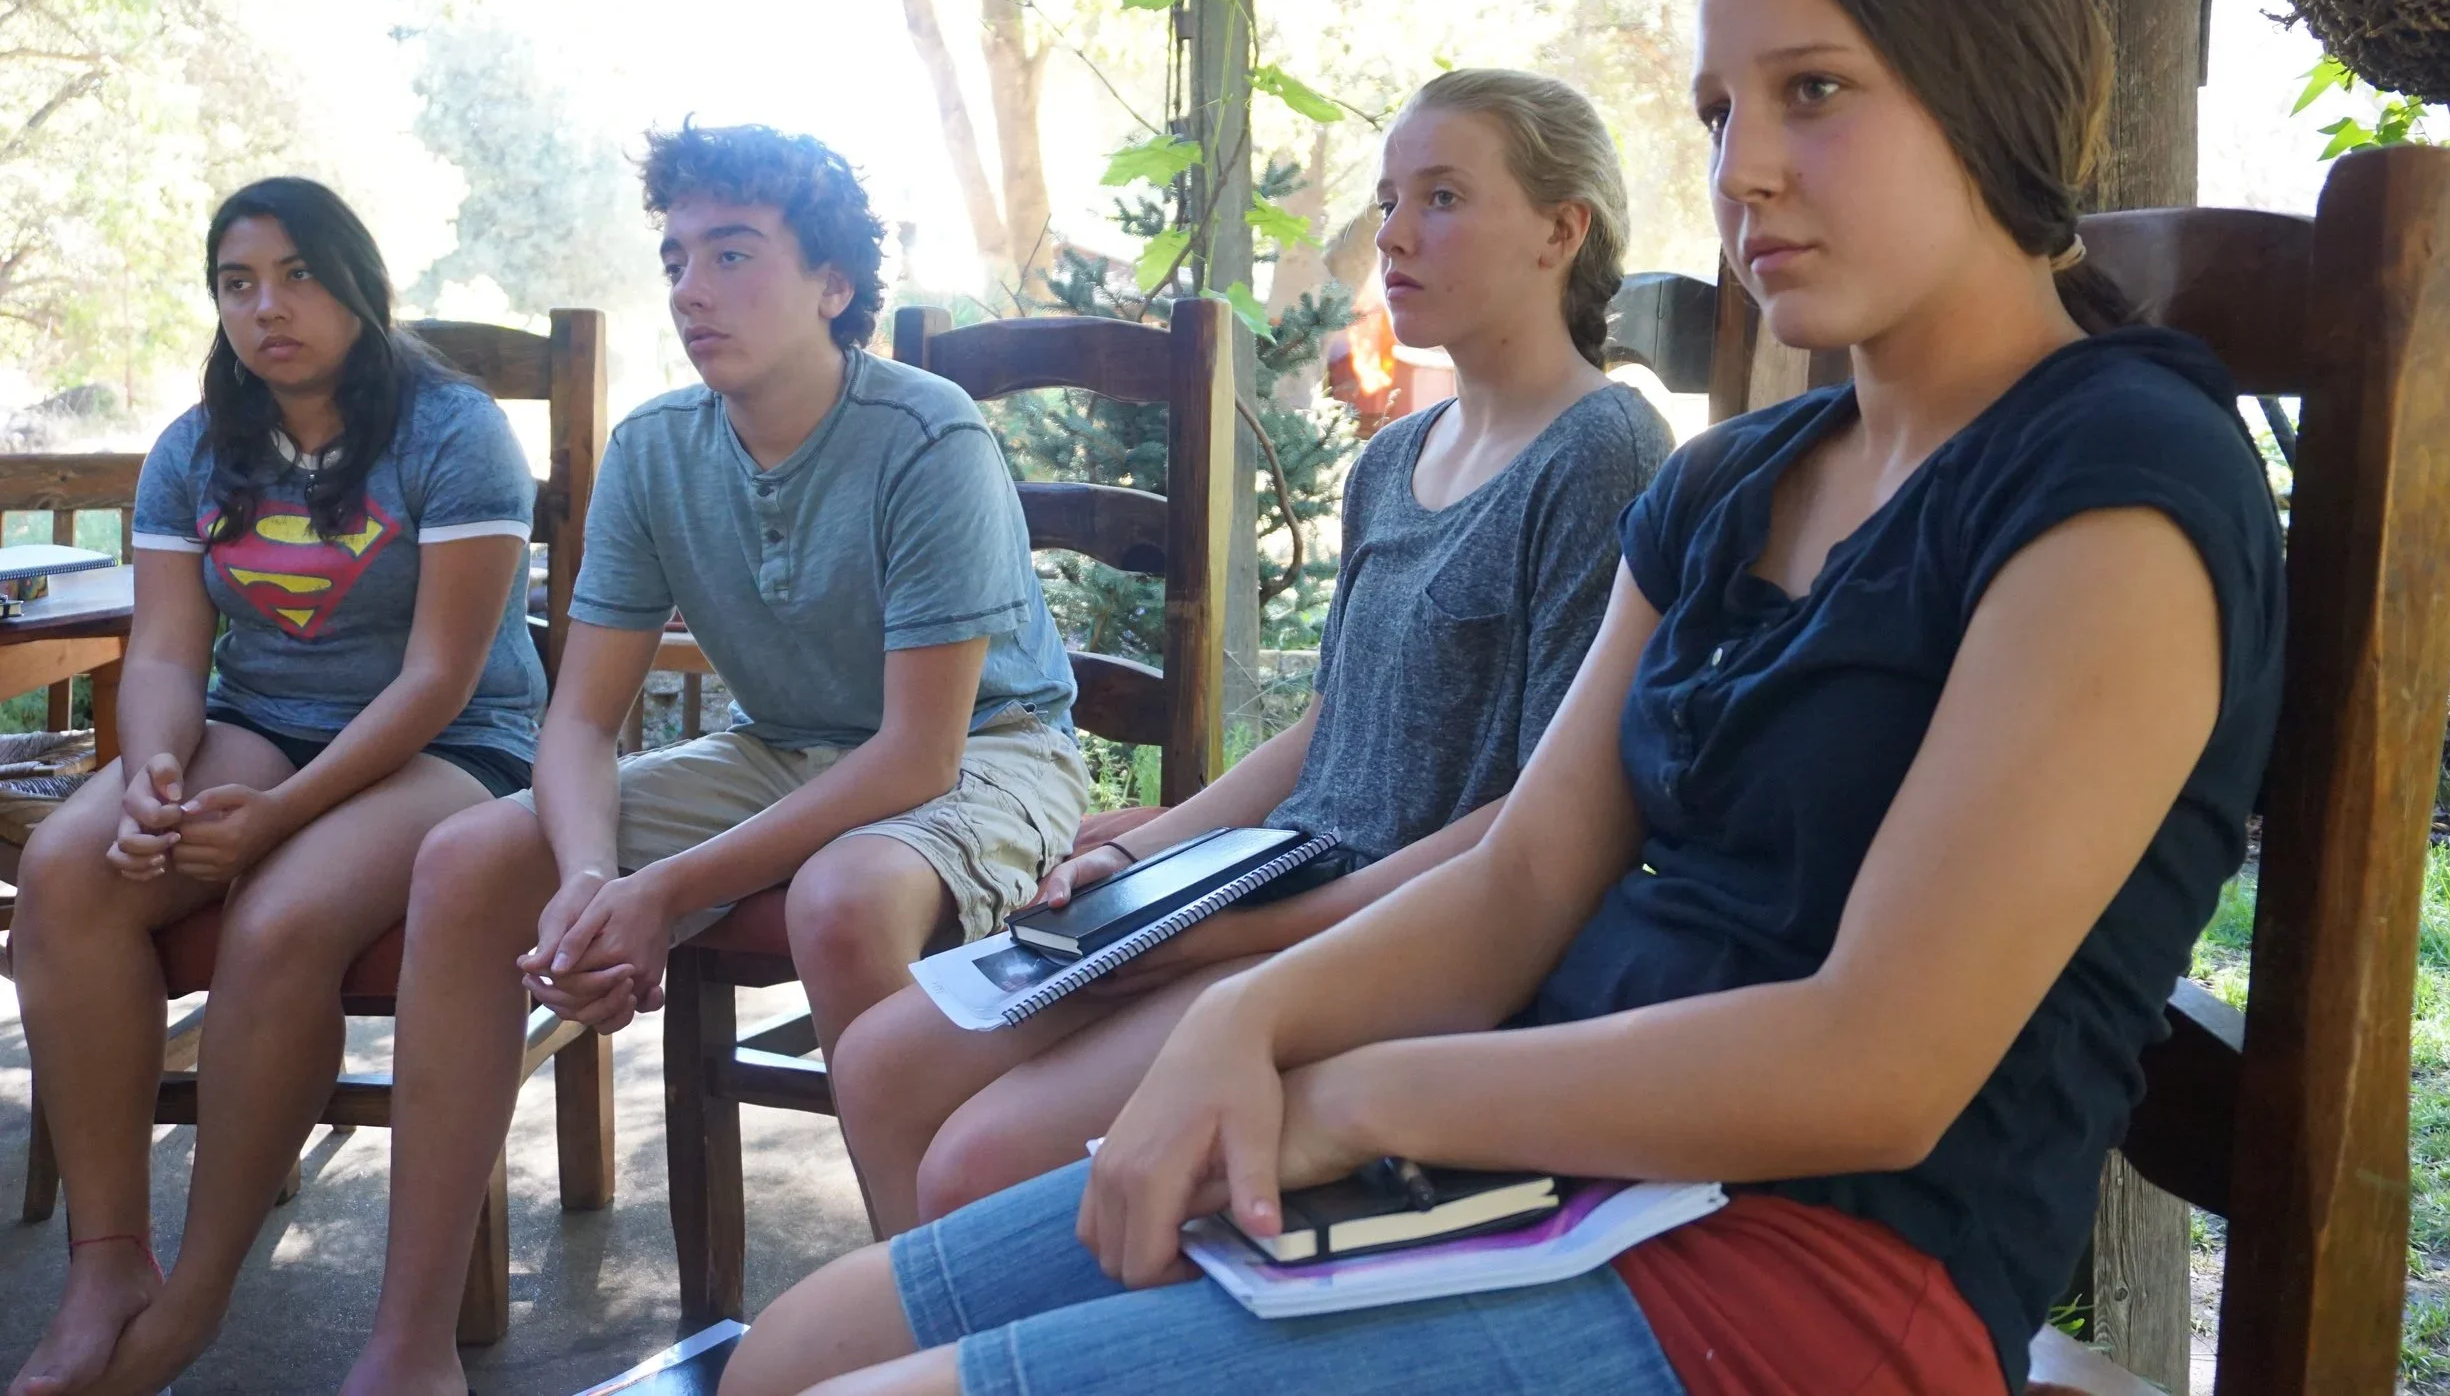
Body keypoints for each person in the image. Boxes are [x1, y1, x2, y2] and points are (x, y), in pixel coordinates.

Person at [720, 0, 2288, 1396]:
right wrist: (1245, 1017)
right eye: (1720, 110)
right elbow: (1527, 872)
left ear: (1988, 97)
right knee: (801, 1347)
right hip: (1546, 1166)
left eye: (1813, 90)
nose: (1742, 169)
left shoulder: (2115, 480)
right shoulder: (1736, 483)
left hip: (1826, 1262)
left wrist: (1356, 1090)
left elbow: (1877, 1065)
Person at [832, 69, 1673, 1235]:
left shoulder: (1604, 449)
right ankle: (932, 1340)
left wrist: (1232, 939)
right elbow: (1334, 722)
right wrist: (1141, 852)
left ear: (1559, 230)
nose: (1391, 234)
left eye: (1440, 197)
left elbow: (1546, 815)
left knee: (976, 1162)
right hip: (1270, 877)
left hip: (1413, 934)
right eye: (1387, 201)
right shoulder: (1395, 456)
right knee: (879, 1061)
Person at [333, 123, 1086, 1396]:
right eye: (676, 254)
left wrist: (664, 891)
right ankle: (407, 1349)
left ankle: (950, 1347)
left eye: (733, 253)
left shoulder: (926, 436)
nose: (689, 287)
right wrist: (585, 876)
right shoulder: (656, 448)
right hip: (776, 748)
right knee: (469, 857)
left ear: (832, 285)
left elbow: (916, 751)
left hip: (985, 755)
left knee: (845, 900)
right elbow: (576, 720)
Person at [7, 180, 543, 1396]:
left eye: (297, 273)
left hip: (457, 743)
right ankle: (108, 1268)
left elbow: (441, 675)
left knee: (282, 916)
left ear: (358, 282)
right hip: (260, 722)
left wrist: (280, 819)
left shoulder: (454, 433)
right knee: (70, 867)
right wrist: (149, 770)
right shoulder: (195, 447)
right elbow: (164, 653)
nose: (268, 306)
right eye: (238, 283)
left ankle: (194, 1300)